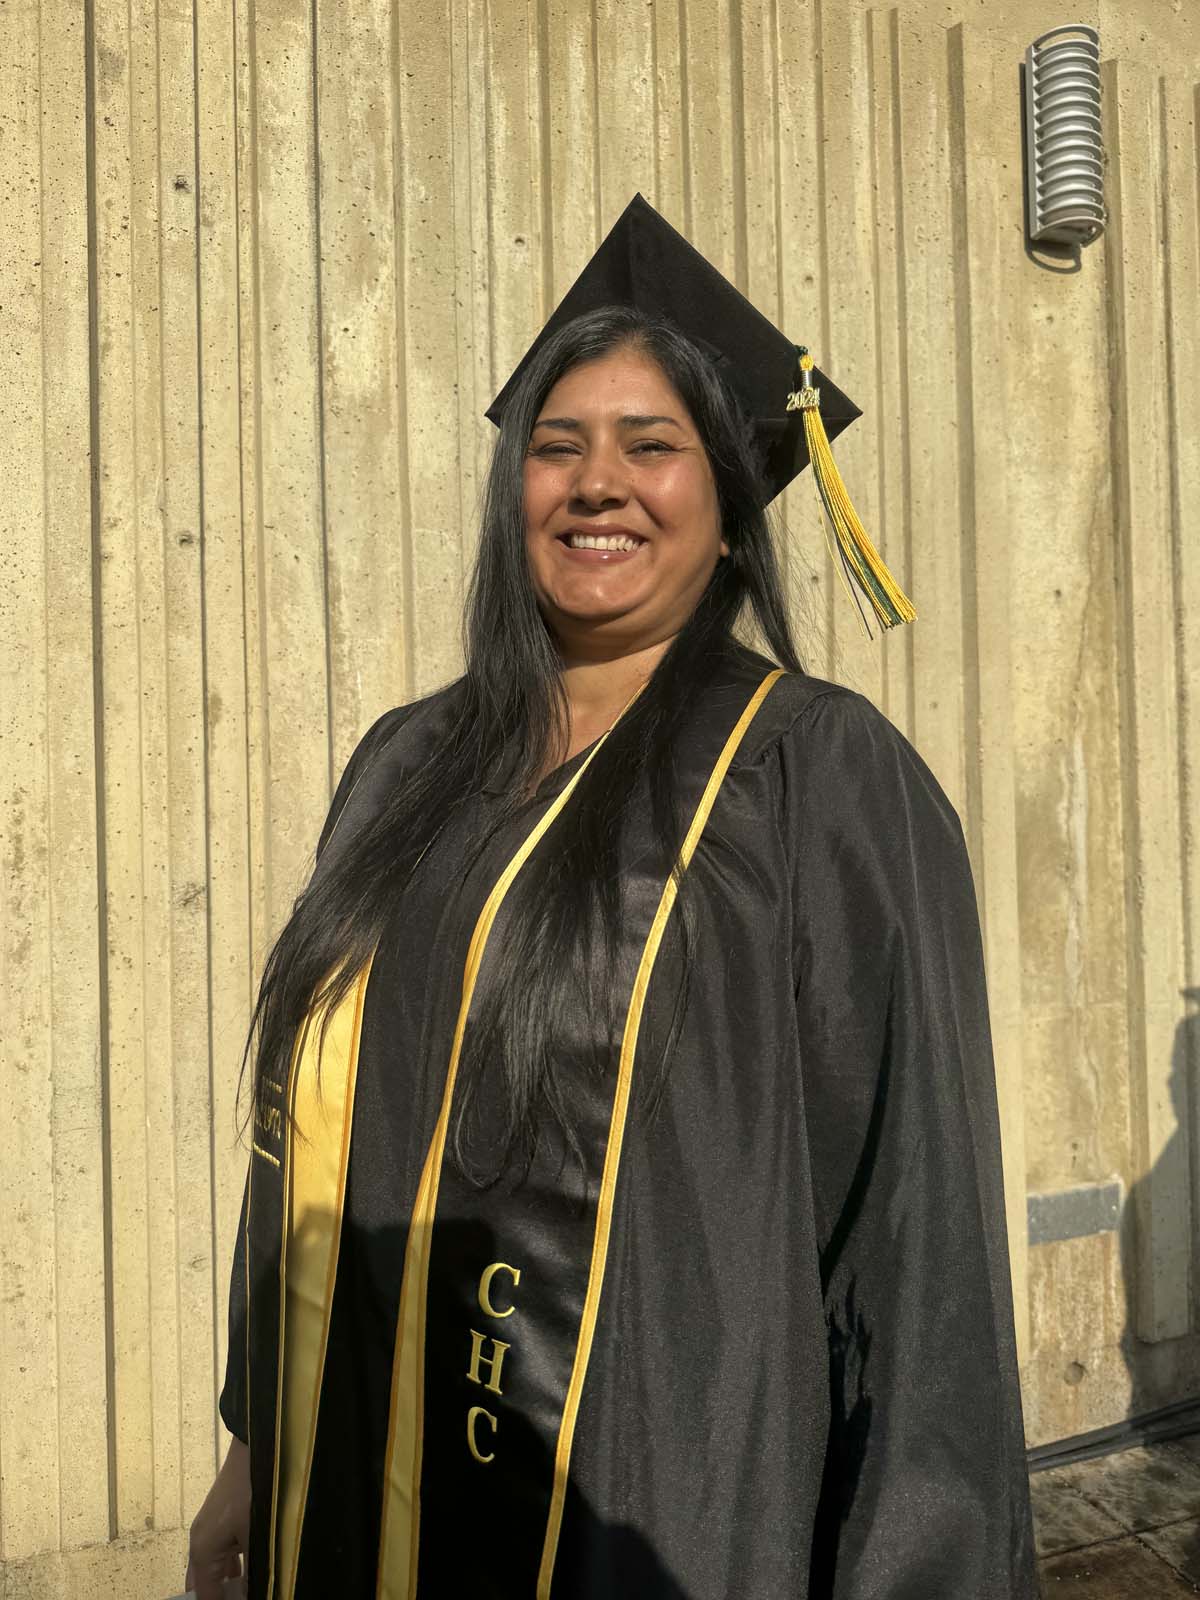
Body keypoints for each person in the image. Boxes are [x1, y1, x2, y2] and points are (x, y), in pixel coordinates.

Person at [187, 197, 1038, 1599]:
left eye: (654, 447)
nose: (599, 484)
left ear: (731, 502)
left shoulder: (816, 780)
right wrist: (251, 1442)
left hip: (655, 1515)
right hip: (341, 1506)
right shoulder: (409, 762)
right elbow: (307, 1145)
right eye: (557, 446)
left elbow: (914, 1236)